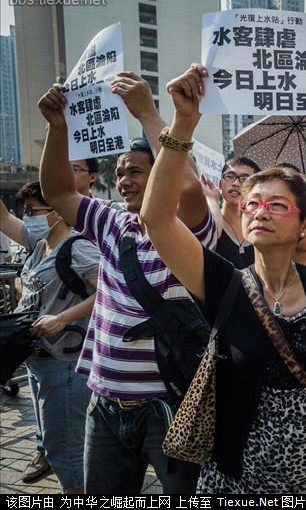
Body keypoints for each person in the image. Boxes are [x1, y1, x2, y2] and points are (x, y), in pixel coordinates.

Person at [140, 66, 306, 493]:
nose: (260, 211)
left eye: (277, 205)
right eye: (253, 204)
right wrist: (182, 122)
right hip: (237, 474)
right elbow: (157, 220)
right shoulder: (222, 281)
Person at [37, 69, 216, 493]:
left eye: (136, 170)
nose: (123, 179)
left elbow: (189, 186)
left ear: (162, 171)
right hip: (104, 403)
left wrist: (150, 115)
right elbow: (58, 190)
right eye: (120, 171)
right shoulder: (110, 221)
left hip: (170, 407)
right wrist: (57, 129)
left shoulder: (190, 227)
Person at [0, 156, 103, 484]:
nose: (26, 217)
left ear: (57, 211)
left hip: (66, 363)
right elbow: (1, 217)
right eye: (25, 211)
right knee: (57, 443)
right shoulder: (39, 243)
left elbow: (110, 292)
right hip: (38, 360)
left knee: (65, 450)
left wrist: (61, 319)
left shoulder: (78, 248)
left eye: (32, 211)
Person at [203, 157, 261, 268]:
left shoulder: (259, 227)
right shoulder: (209, 224)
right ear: (220, 184)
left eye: (244, 179)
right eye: (230, 176)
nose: (235, 183)